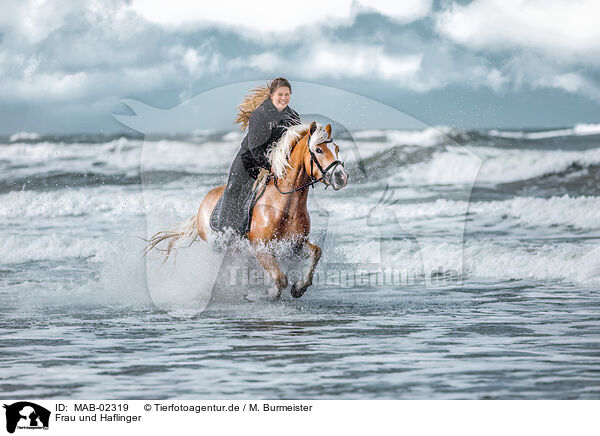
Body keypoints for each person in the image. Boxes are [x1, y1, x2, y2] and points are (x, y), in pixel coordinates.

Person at [216, 78, 301, 235]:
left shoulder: (293, 117)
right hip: (249, 162)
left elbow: (297, 145)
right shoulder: (260, 114)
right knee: (234, 189)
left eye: (287, 94)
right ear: (271, 95)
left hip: (277, 166)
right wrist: (271, 167)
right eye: (280, 94)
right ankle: (223, 234)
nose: (283, 98)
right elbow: (255, 147)